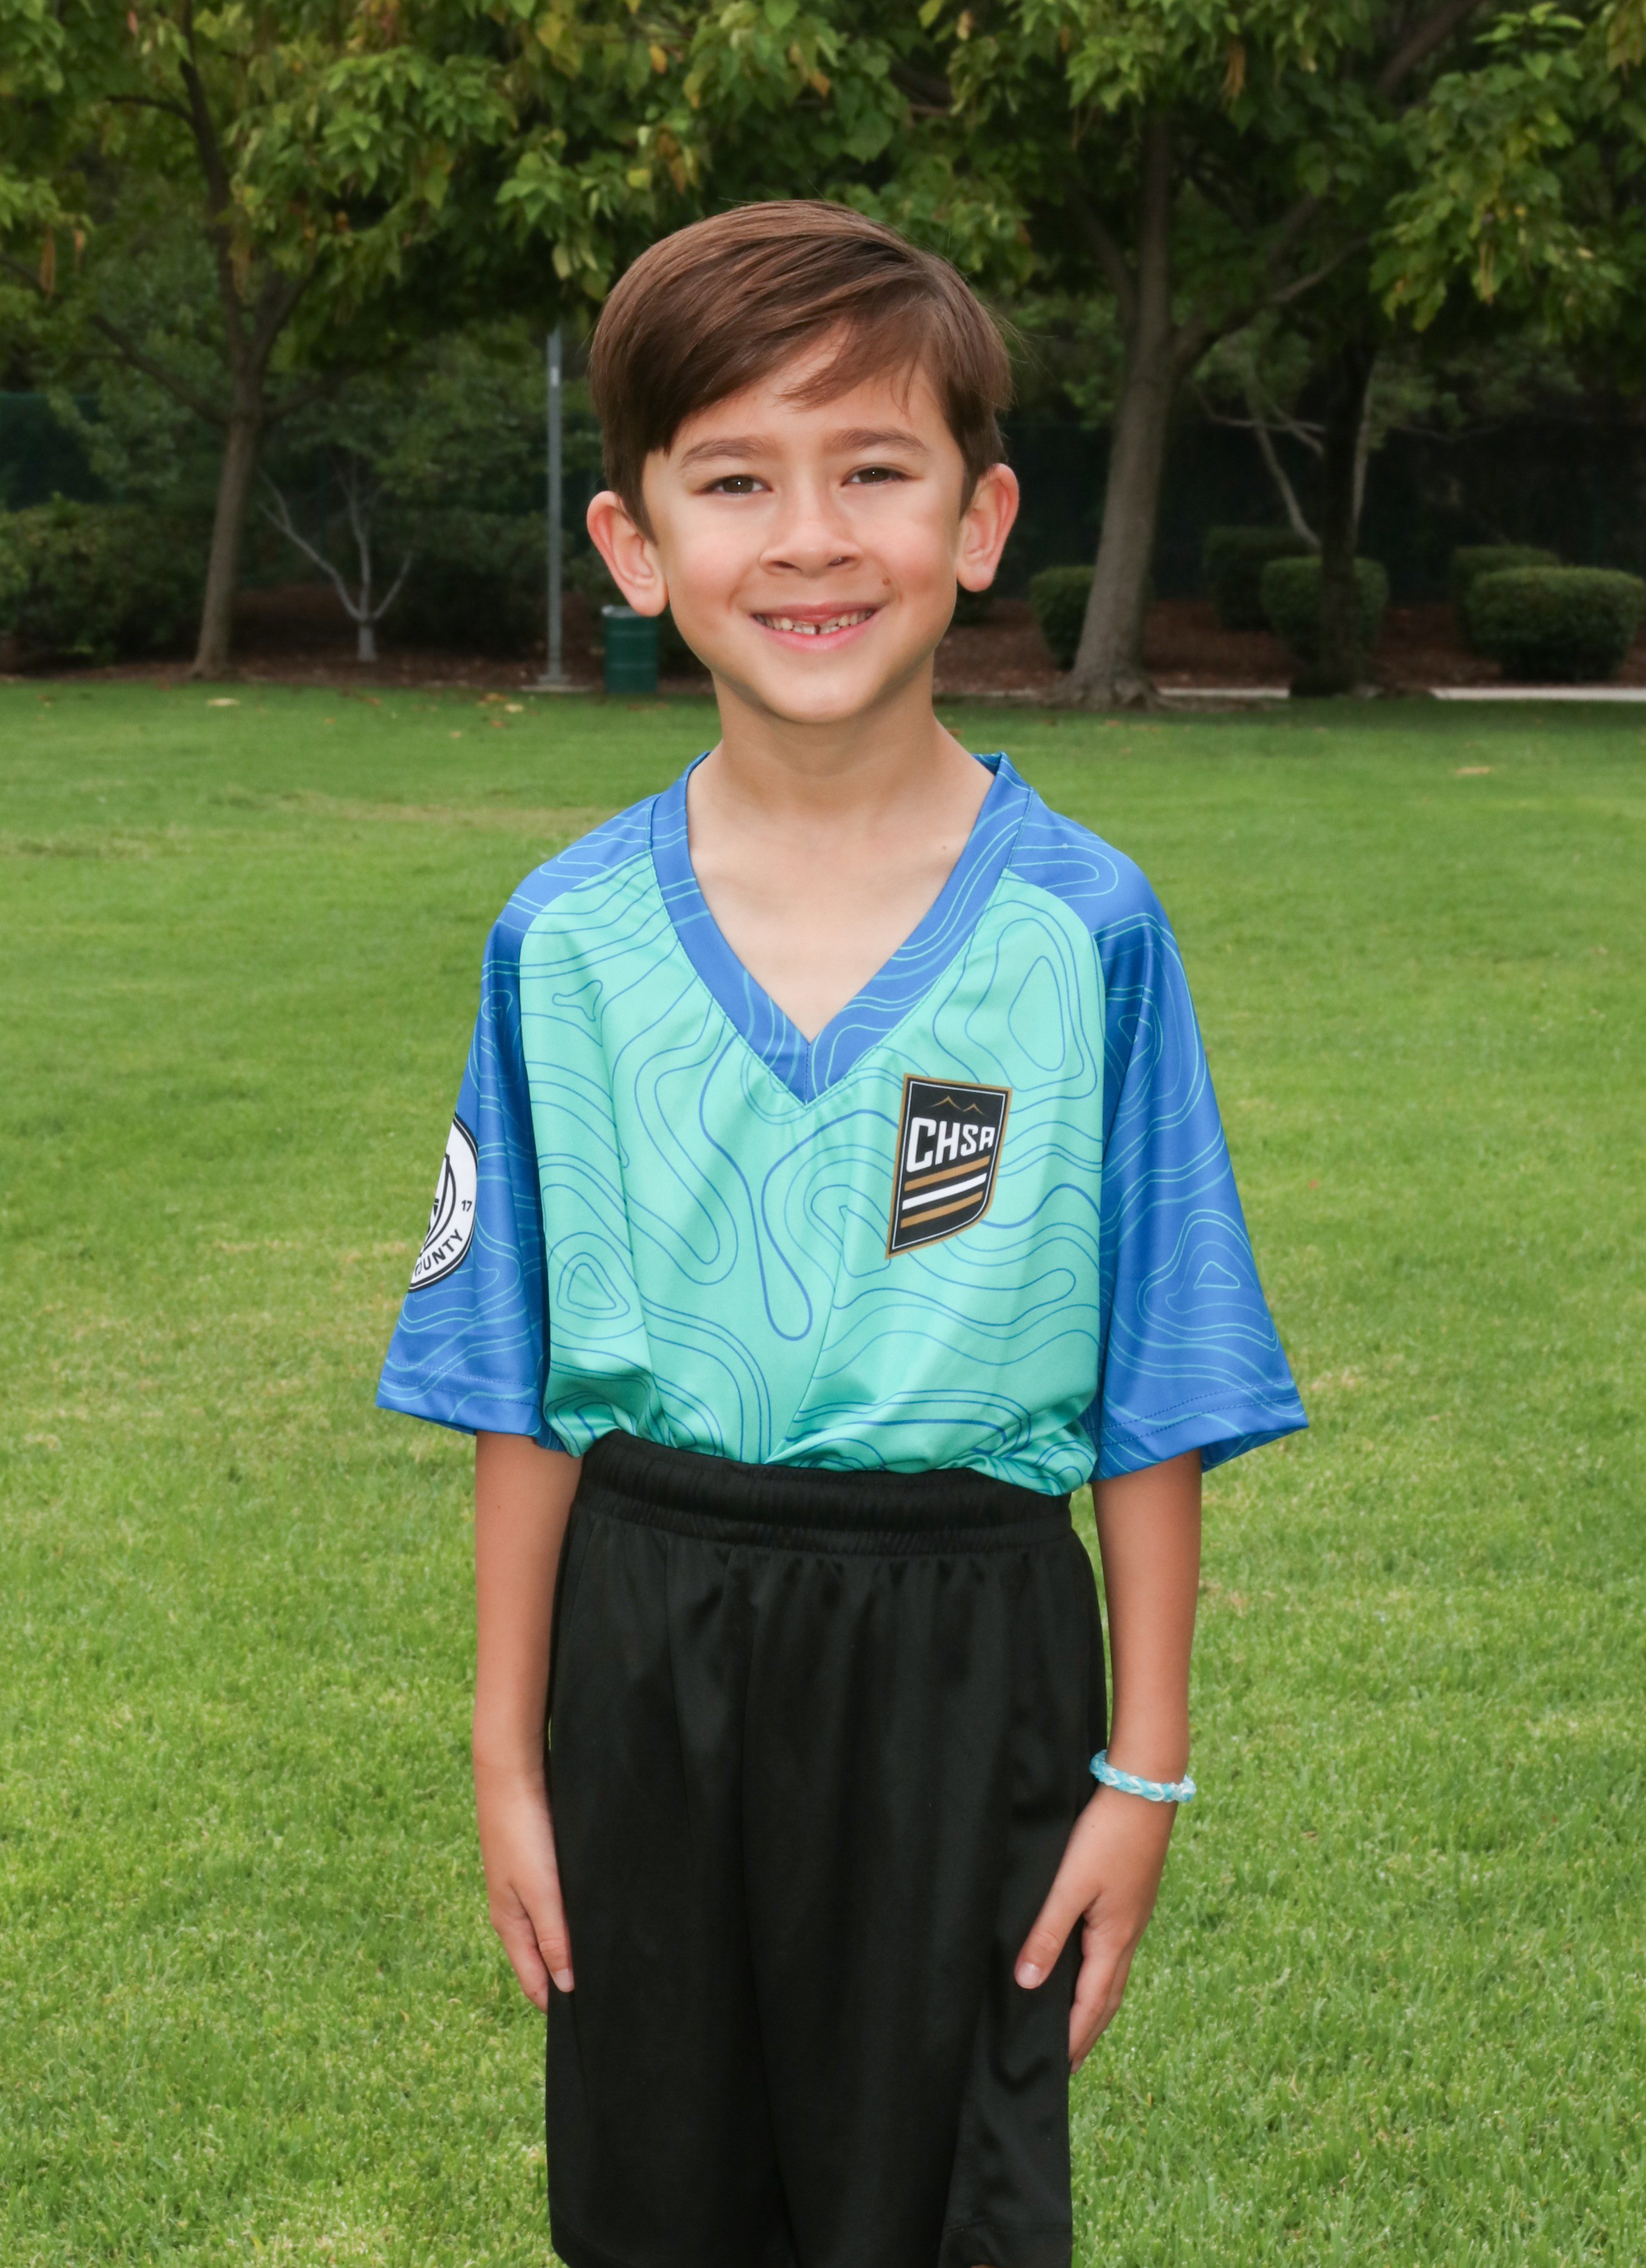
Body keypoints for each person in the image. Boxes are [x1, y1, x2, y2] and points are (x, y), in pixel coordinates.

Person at [378, 201, 1305, 2268]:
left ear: (978, 520)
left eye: (872, 469)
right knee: (659, 2206)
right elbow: (517, 1376)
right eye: (734, 480)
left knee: (943, 2214)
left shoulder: (1081, 929)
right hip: (649, 1636)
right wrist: (507, 1749)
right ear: (634, 547)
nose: (809, 538)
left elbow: (1157, 1371)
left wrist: (1142, 1770)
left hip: (970, 1643)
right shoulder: (566, 940)